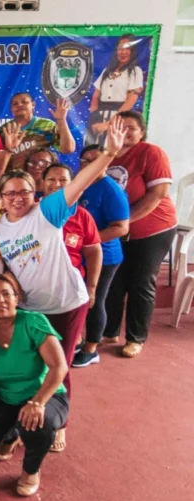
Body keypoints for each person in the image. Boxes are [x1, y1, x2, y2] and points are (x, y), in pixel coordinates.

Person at [0, 117, 125, 452]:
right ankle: (18, 426)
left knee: (60, 365)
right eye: (11, 193)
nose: (18, 198)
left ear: (32, 193)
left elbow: (79, 182)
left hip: (67, 302)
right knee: (28, 366)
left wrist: (107, 155)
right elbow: (4, 264)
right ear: (2, 197)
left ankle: (59, 421)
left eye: (24, 191)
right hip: (31, 308)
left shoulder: (47, 211)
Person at [0, 275, 69, 497]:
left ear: (17, 298)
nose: (0, 300)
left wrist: (38, 402)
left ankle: (30, 471)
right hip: (4, 395)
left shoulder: (33, 321)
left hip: (44, 395)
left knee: (37, 425)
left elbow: (59, 368)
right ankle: (10, 436)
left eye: (6, 294)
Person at [103, 110, 178, 359]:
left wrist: (125, 222)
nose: (124, 131)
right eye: (119, 126)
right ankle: (110, 331)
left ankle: (136, 338)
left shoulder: (150, 153)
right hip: (117, 231)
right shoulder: (107, 156)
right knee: (113, 281)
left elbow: (156, 195)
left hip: (152, 229)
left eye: (131, 127)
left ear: (141, 132)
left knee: (140, 281)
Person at [73, 145, 130, 367]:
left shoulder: (111, 190)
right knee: (78, 301)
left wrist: (88, 240)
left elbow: (121, 227)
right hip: (80, 254)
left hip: (104, 257)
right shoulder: (81, 183)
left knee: (94, 301)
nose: (89, 164)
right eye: (85, 160)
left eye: (95, 160)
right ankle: (78, 341)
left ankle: (91, 349)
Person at [42, 162, 103, 339]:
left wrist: (91, 287)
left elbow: (94, 252)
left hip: (70, 289)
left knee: (68, 339)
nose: (57, 184)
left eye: (63, 180)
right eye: (51, 179)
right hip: (36, 290)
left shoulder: (82, 216)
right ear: (42, 182)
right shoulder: (33, 211)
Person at [87, 34, 145, 146]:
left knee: (111, 149)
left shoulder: (135, 71)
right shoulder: (107, 71)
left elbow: (132, 98)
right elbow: (96, 95)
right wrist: (94, 117)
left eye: (127, 48)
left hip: (119, 116)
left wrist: (109, 123)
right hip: (100, 115)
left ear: (132, 51)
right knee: (93, 149)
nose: (123, 52)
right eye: (120, 48)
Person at [0, 94, 75, 171]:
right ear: (11, 108)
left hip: (40, 175)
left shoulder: (47, 125)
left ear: (33, 105)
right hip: (14, 177)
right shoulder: (4, 129)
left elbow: (67, 149)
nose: (19, 105)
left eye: (24, 102)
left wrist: (61, 120)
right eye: (15, 104)